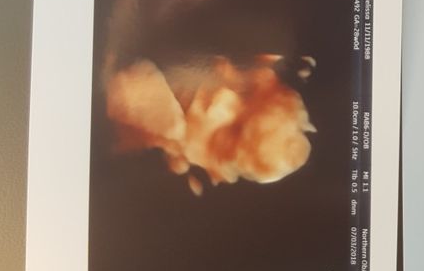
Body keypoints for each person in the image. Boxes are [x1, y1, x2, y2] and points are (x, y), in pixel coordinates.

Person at [105, 53, 317, 196]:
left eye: (231, 131)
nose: (221, 100)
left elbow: (115, 90)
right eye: (245, 94)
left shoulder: (167, 132)